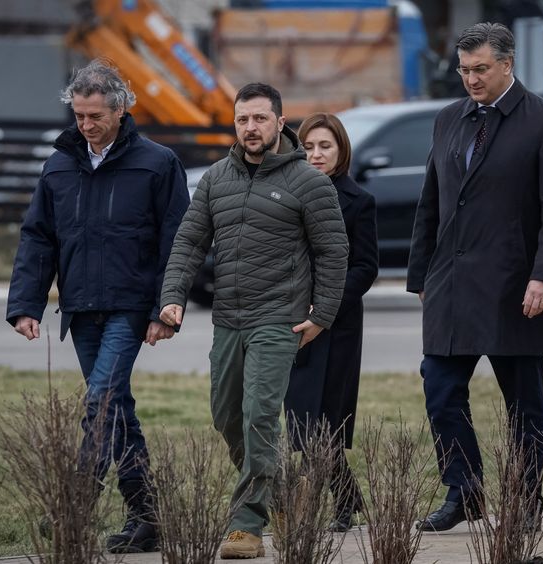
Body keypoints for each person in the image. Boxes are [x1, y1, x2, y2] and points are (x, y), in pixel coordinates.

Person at [6, 59, 189, 553]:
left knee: (101, 401)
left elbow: (178, 241)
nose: (86, 126)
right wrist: (26, 303)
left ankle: (75, 501)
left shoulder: (157, 163)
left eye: (95, 117)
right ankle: (148, 517)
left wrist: (165, 307)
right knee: (117, 410)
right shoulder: (59, 164)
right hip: (81, 309)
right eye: (79, 116)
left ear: (121, 109)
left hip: (131, 307)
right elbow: (38, 236)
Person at [159, 83, 348, 559]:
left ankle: (246, 524)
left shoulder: (310, 182)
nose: (250, 128)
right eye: (242, 119)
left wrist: (321, 315)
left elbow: (333, 253)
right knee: (226, 416)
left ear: (279, 122)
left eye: (260, 119)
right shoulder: (216, 179)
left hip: (278, 320)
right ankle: (282, 494)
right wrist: (173, 297)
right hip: (229, 318)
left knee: (260, 417)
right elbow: (188, 243)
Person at [406, 22, 543, 532]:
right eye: (463, 70)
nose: (471, 80)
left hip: (515, 286)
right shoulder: (448, 120)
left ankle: (526, 498)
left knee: (524, 401)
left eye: (480, 69)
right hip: (451, 286)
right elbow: (431, 202)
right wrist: (421, 277)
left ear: (507, 64)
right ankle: (466, 491)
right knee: (438, 387)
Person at [284, 113, 379, 532]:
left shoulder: (358, 201)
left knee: (328, 417)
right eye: (308, 146)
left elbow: (365, 266)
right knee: (302, 418)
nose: (316, 154)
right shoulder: (287, 193)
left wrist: (326, 307)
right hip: (291, 319)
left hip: (337, 324)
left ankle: (339, 506)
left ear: (341, 151)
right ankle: (347, 500)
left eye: (326, 146)